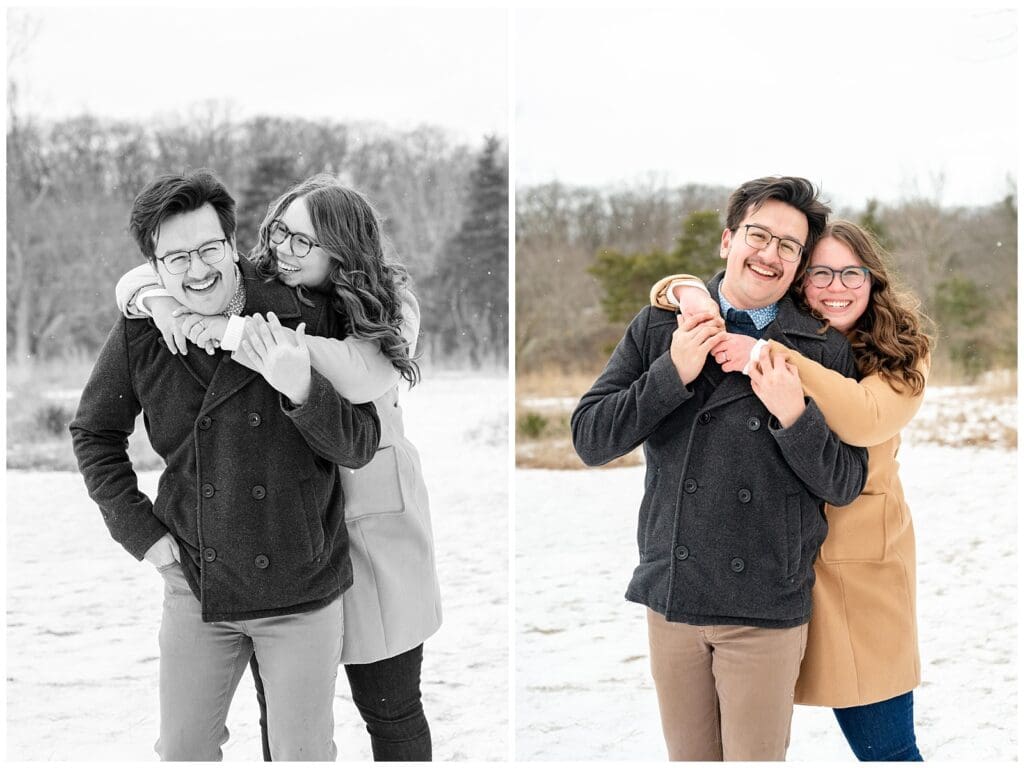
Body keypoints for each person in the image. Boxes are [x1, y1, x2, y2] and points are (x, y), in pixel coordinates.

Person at [114, 174, 441, 761]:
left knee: (390, 706)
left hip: (369, 521)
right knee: (287, 725)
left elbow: (363, 374)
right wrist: (157, 297)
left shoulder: (390, 305)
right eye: (280, 231)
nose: (282, 251)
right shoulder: (263, 283)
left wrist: (233, 331)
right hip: (286, 530)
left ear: (343, 251)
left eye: (303, 242)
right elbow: (156, 269)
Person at [571, 176, 868, 761]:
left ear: (799, 265)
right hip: (674, 596)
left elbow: (844, 482)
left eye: (790, 246)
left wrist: (792, 414)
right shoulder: (661, 327)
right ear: (728, 239)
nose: (771, 253)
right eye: (759, 234)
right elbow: (591, 438)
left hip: (764, 607)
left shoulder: (821, 348)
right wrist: (672, 373)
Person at [655, 219, 932, 761]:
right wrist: (683, 288)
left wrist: (770, 355)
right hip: (771, 565)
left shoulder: (900, 352)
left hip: (854, 575)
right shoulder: (789, 329)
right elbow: (729, 287)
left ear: (872, 280)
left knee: (886, 749)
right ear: (801, 281)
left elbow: (865, 418)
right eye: (821, 272)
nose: (837, 286)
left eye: (852, 272)